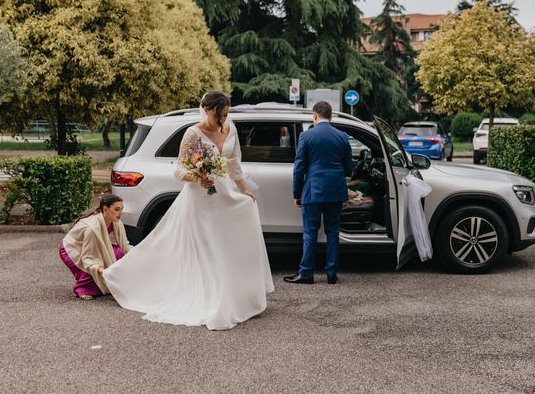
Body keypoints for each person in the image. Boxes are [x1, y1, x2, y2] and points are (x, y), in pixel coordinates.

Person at [103, 91, 274, 330]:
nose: (223, 119)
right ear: (207, 110)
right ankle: (214, 298)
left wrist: (244, 190)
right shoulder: (192, 133)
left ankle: (238, 294)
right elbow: (179, 169)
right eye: (220, 115)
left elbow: (235, 164)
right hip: (200, 199)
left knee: (230, 237)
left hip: (224, 194)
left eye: (226, 115)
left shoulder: (230, 129)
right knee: (208, 247)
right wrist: (197, 177)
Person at [284, 101, 353, 285]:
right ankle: (331, 273)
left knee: (310, 232)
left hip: (313, 190)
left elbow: (299, 168)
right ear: (331, 117)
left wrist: (296, 193)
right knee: (333, 232)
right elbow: (349, 169)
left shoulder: (306, 136)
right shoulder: (343, 137)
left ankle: (306, 273)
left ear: (314, 117)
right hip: (335, 191)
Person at [58, 194, 131, 300]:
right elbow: (89, 257)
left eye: (121, 209)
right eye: (117, 209)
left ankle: (102, 283)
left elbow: (125, 247)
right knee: (91, 267)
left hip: (88, 246)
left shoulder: (117, 223)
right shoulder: (92, 228)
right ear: (105, 209)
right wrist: (103, 270)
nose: (120, 213)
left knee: (118, 253)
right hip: (70, 249)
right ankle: (81, 288)